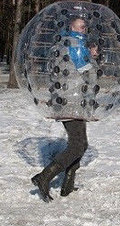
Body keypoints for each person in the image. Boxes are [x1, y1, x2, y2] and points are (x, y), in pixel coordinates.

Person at [31, 17, 99, 202]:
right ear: (71, 27)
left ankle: (67, 185)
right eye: (81, 26)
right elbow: (88, 74)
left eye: (86, 26)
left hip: (69, 100)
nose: (85, 29)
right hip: (72, 102)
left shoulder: (62, 44)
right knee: (77, 145)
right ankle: (44, 177)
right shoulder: (76, 45)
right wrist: (92, 58)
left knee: (81, 144)